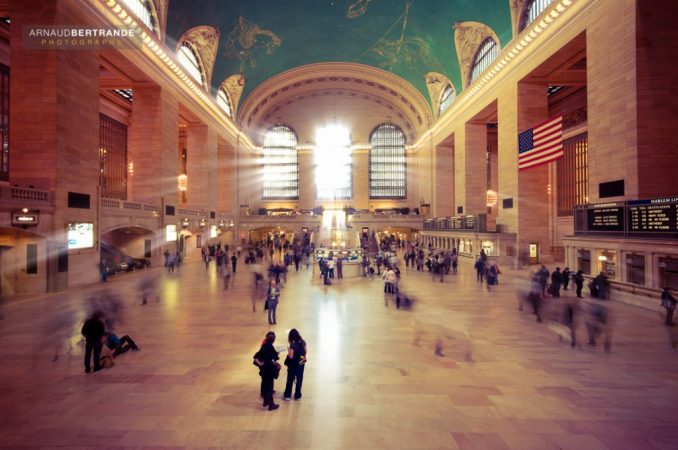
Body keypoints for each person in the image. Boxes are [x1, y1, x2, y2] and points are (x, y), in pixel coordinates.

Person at [253, 331, 280, 411]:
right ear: (273, 340)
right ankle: (271, 405)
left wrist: (261, 364)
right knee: (270, 387)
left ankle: (265, 401)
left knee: (265, 385)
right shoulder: (271, 347)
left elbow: (255, 357)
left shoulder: (264, 346)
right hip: (269, 370)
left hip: (263, 370)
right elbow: (274, 357)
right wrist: (276, 356)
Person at [283, 328, 307, 401]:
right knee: (299, 379)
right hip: (301, 362)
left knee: (290, 379)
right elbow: (306, 351)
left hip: (293, 363)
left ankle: (287, 395)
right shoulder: (303, 342)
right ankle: (298, 395)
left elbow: (291, 356)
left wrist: (288, 349)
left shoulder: (292, 344)